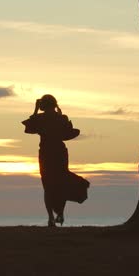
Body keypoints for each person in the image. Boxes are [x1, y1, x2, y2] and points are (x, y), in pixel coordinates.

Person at [22, 94, 88, 227]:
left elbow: (29, 128)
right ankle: (60, 214)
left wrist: (35, 111)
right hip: (59, 152)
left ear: (42, 106)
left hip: (46, 152)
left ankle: (51, 217)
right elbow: (68, 132)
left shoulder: (40, 118)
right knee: (61, 183)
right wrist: (59, 113)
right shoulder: (61, 118)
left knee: (48, 185)